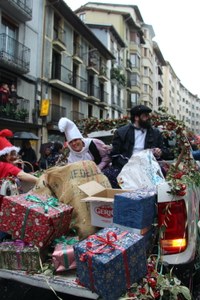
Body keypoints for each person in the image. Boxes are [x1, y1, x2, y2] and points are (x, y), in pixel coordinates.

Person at [104, 104, 169, 187]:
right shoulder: (121, 132)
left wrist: (160, 152)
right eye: (145, 116)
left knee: (161, 174)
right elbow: (115, 154)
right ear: (136, 118)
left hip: (148, 166)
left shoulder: (155, 133)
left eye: (148, 115)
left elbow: (165, 151)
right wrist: (129, 165)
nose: (148, 118)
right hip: (126, 165)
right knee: (109, 174)